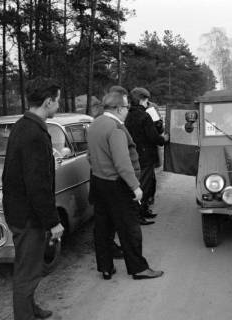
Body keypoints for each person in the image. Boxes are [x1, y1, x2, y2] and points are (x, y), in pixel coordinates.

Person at [2, 76, 65, 320]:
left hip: (21, 212)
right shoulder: (34, 133)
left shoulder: (23, 124)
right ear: (48, 102)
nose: (58, 105)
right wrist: (53, 221)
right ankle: (24, 315)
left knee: (31, 266)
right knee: (27, 271)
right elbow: (37, 185)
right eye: (57, 100)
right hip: (28, 216)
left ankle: (30, 308)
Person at [87, 91, 163, 280]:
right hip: (117, 184)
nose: (128, 111)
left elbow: (90, 156)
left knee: (103, 227)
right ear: (119, 108)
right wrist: (135, 186)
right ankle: (138, 268)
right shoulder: (115, 128)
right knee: (130, 228)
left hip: (98, 182)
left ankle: (105, 267)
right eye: (127, 107)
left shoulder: (94, 124)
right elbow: (122, 162)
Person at [125, 87, 169, 225]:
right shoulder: (144, 116)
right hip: (145, 156)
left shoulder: (128, 115)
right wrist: (164, 139)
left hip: (136, 155)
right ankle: (139, 215)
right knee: (144, 185)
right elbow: (153, 137)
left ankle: (143, 211)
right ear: (141, 100)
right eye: (146, 100)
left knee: (147, 184)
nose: (147, 103)